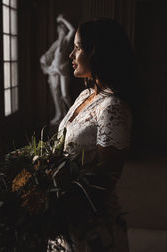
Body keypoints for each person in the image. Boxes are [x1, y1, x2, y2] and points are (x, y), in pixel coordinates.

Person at [52, 18, 134, 251]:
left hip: (91, 225)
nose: (71, 55)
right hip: (66, 214)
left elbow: (105, 180)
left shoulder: (112, 107)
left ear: (97, 53)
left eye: (77, 47)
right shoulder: (85, 95)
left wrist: (55, 202)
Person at [40, 14, 75, 125]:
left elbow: (72, 29)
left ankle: (73, 114)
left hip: (63, 71)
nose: (61, 32)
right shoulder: (57, 43)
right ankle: (60, 114)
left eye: (63, 30)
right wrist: (45, 61)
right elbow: (49, 55)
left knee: (64, 95)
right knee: (57, 93)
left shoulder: (66, 40)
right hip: (55, 70)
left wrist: (62, 19)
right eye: (60, 30)